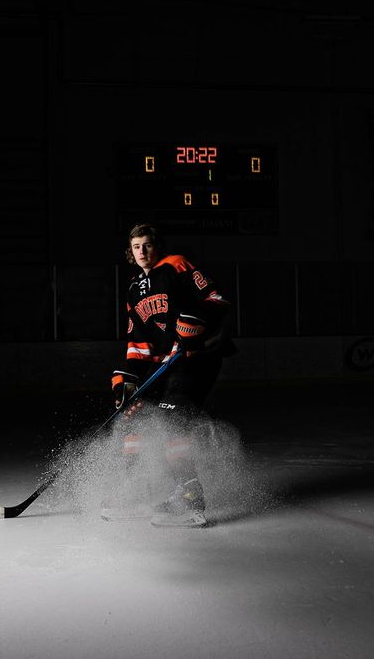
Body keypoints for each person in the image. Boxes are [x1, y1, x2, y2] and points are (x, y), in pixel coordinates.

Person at [102, 223, 237, 527]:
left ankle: (190, 498)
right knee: (133, 418)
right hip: (165, 363)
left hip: (196, 360)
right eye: (136, 247)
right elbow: (139, 345)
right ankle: (135, 490)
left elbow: (217, 300)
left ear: (157, 246)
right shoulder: (134, 289)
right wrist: (125, 379)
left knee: (173, 419)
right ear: (130, 251)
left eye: (147, 245)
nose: (142, 252)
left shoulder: (176, 265)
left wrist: (196, 323)